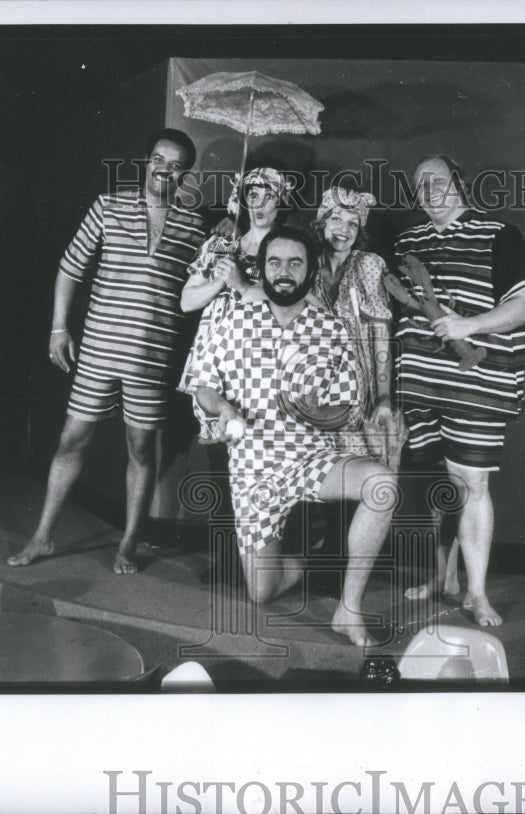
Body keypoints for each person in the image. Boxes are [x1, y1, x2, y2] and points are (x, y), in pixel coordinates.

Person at [7, 128, 207, 574]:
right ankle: (43, 536)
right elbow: (69, 268)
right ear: (146, 161)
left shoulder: (195, 226)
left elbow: (203, 289)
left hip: (151, 356)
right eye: (158, 159)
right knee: (71, 440)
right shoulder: (109, 205)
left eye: (176, 166)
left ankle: (128, 543)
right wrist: (59, 327)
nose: (165, 169)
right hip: (98, 348)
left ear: (185, 175)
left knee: (141, 449)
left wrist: (224, 242)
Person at [190, 226, 397, 647]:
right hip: (254, 470)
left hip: (311, 459)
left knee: (383, 485)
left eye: (295, 263)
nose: (284, 272)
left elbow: (347, 406)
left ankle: (349, 610)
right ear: (263, 269)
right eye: (275, 262)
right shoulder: (234, 319)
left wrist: (313, 412)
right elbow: (203, 385)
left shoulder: (333, 328)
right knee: (261, 593)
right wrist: (223, 409)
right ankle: (316, 561)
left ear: (309, 271)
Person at [395, 155, 525, 626]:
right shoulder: (407, 241)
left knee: (471, 484)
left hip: (476, 385)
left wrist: (469, 324)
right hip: (420, 385)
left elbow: (524, 308)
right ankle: (445, 579)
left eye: (437, 179)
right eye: (420, 183)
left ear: (459, 183)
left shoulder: (498, 234)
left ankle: (477, 594)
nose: (428, 188)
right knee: (440, 485)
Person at [178, 167, 290, 442]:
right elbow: (186, 302)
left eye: (269, 196)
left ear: (281, 202)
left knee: (258, 440)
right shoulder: (219, 245)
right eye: (253, 195)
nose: (260, 204)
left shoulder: (287, 251)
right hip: (214, 358)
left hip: (260, 359)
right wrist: (219, 281)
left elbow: (292, 301)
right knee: (218, 438)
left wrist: (242, 283)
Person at [312, 186, 397, 459]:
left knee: (361, 473)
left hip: (357, 394)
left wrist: (383, 397)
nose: (344, 229)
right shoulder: (304, 266)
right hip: (310, 388)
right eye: (336, 219)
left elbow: (381, 336)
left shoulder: (368, 265)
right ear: (322, 221)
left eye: (353, 223)